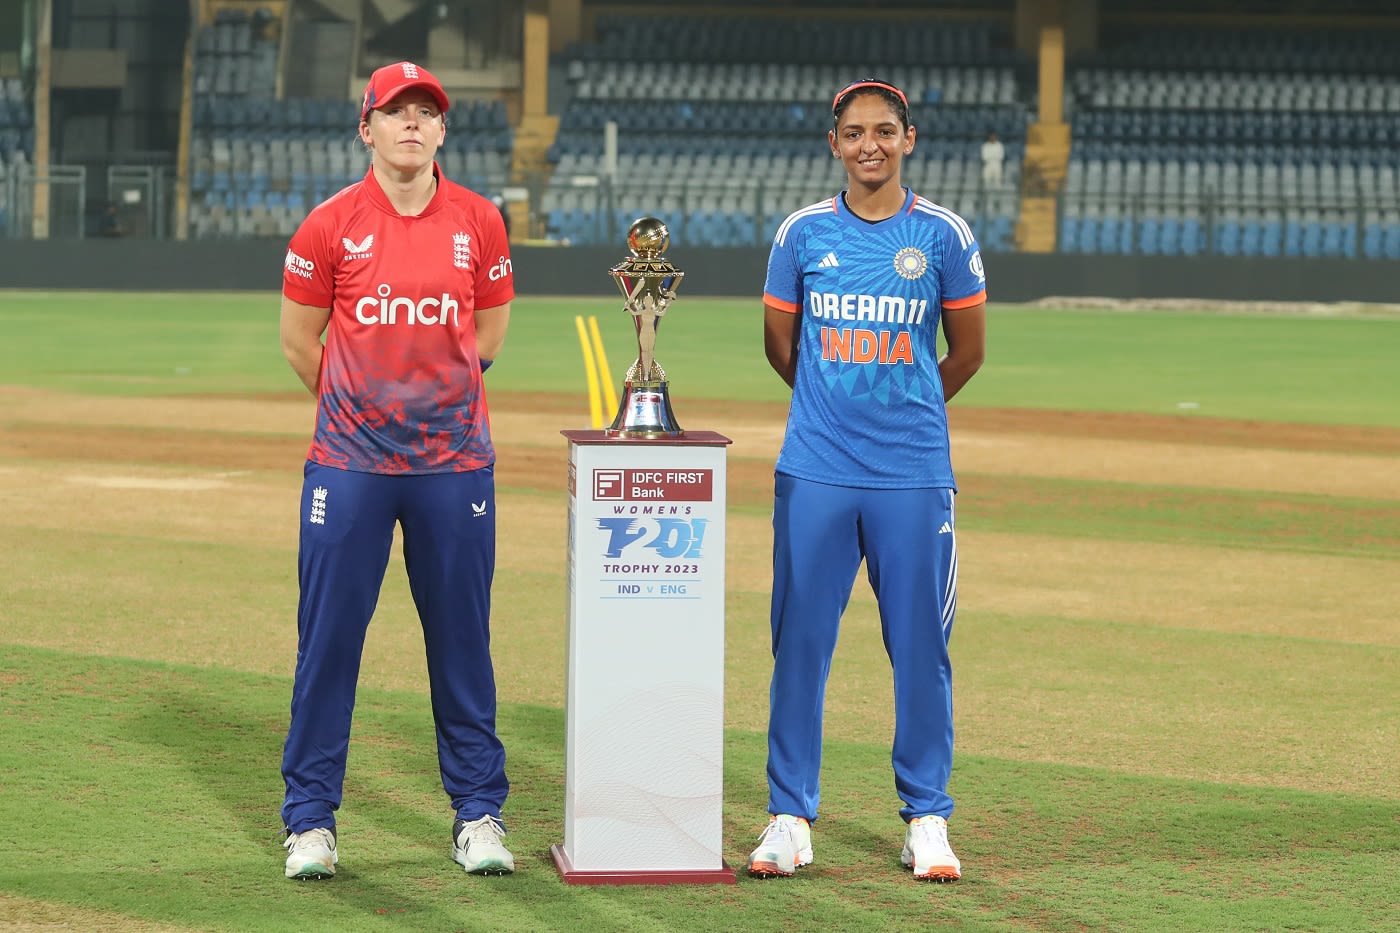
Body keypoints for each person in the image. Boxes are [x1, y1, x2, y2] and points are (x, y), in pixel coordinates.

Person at [276, 60, 516, 881]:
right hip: (348, 467)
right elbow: (299, 341)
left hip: (454, 466)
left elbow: (485, 341)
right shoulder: (328, 225)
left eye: (426, 112)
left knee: (462, 643)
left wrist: (421, 412)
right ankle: (310, 821)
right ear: (366, 128)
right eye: (395, 111)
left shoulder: (480, 221)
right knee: (330, 644)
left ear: (443, 130)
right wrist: (363, 412)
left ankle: (478, 813)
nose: (411, 123)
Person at [749, 78, 987, 883]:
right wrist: (831, 412)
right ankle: (789, 815)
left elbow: (966, 352)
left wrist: (904, 407)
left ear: (908, 139)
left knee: (921, 647)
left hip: (913, 474)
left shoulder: (944, 235)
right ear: (835, 144)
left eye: (885, 131)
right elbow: (781, 347)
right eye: (854, 132)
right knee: (800, 646)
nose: (870, 145)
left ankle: (927, 816)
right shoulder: (802, 233)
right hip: (815, 469)